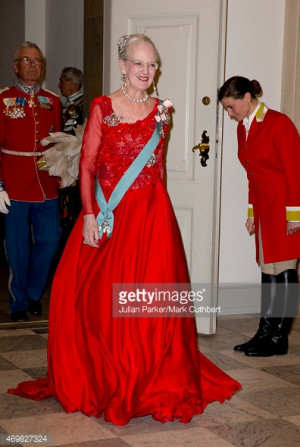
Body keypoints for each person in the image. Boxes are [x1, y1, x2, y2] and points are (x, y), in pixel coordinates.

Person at [8, 34, 241, 424]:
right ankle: (112, 376)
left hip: (153, 216)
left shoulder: (162, 110)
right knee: (99, 300)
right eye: (138, 63)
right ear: (122, 66)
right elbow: (87, 165)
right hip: (111, 216)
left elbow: (159, 166)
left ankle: (153, 374)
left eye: (151, 65)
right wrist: (87, 214)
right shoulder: (102, 107)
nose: (146, 72)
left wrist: (160, 209)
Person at [218, 76, 300, 357]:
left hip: (286, 207)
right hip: (265, 208)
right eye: (227, 109)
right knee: (268, 270)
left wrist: (295, 214)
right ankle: (265, 332)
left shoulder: (279, 123)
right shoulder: (244, 128)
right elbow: (252, 175)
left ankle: (280, 337)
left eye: (231, 107)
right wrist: (252, 211)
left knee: (286, 269)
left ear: (247, 98)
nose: (230, 114)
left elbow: (294, 172)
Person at [0, 41, 61, 322]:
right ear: (16, 66)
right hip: (13, 181)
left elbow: (59, 142)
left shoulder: (53, 100)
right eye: (26, 60)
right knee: (17, 246)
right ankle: (19, 302)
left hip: (46, 181)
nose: (33, 64)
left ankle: (35, 293)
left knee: (50, 240)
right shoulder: (3, 99)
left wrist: (64, 170)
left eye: (37, 60)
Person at [57, 67, 84, 248]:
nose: (59, 85)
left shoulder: (81, 105)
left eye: (62, 81)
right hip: (64, 165)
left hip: (75, 167)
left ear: (72, 83)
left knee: (73, 209)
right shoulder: (66, 105)